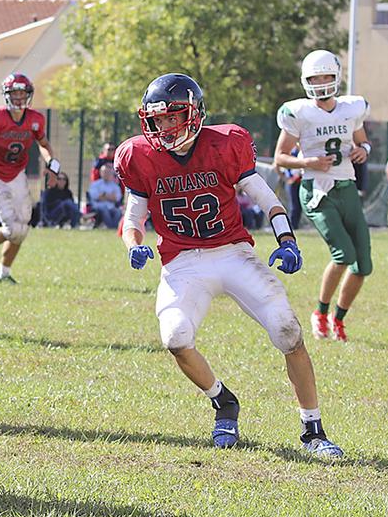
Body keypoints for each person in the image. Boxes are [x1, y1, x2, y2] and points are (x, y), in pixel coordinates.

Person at [117, 73, 343, 458]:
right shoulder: (139, 155)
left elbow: (267, 198)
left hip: (233, 252)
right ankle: (223, 401)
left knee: (288, 332)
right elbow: (133, 218)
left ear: (195, 112)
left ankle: (313, 430)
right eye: (158, 119)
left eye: (173, 116)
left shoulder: (225, 143)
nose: (165, 126)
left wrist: (286, 240)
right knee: (175, 338)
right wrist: (133, 245)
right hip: (182, 262)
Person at [275, 49, 373, 343]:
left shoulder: (351, 108)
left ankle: (338, 319)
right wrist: (308, 162)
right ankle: (320, 312)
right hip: (318, 191)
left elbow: (363, 141)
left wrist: (362, 151)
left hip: (347, 187)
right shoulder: (298, 112)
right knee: (343, 254)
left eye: (325, 76)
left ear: (336, 77)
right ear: (306, 80)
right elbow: (280, 157)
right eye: (314, 77)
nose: (320, 82)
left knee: (363, 265)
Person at [0, 73, 61, 284]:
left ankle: (3, 273)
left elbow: (44, 145)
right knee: (12, 228)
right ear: (6, 96)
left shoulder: (35, 120)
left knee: (22, 229)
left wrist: (52, 166)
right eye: (14, 94)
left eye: (22, 93)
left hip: (17, 174)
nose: (18, 98)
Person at [87, 164, 123, 229]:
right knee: (104, 209)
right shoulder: (95, 184)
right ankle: (111, 228)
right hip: (98, 206)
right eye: (104, 172)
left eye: (108, 172)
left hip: (111, 207)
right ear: (101, 173)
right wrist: (110, 196)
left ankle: (113, 228)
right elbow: (94, 196)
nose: (106, 174)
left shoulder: (115, 186)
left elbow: (117, 198)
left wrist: (103, 195)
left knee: (118, 211)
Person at [281, 147, 304, 230]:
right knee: (293, 206)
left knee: (298, 206)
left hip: (300, 181)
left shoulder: (301, 151)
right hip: (292, 183)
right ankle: (290, 226)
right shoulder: (291, 152)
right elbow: (277, 165)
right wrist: (286, 179)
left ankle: (295, 225)